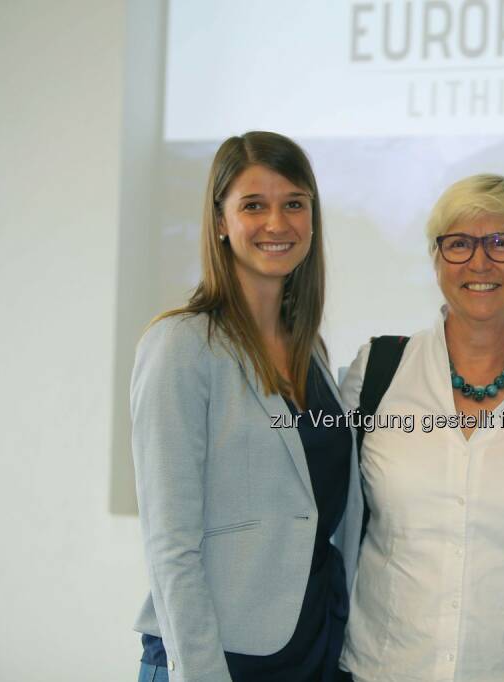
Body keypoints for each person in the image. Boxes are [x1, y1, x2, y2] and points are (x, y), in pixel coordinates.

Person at [338, 174, 504, 681]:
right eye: (459, 244)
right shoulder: (376, 374)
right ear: (436, 260)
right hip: (385, 669)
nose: (479, 262)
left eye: (502, 243)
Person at [130, 131, 361, 682]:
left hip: (314, 647)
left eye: (294, 204)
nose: (277, 224)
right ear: (219, 221)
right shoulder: (182, 346)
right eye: (253, 205)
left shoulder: (315, 354)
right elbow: (171, 544)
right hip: (216, 656)